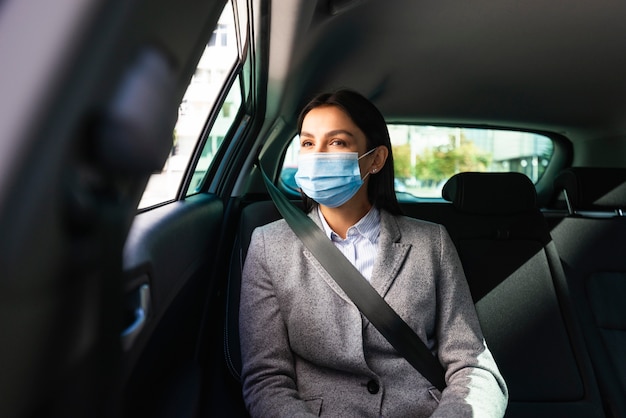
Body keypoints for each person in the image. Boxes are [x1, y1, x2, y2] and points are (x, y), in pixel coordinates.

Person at [239, 89, 508, 417]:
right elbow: (267, 378)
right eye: (308, 143)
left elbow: (473, 366)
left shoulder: (431, 242)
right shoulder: (269, 246)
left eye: (337, 142)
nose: (318, 154)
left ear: (376, 159)